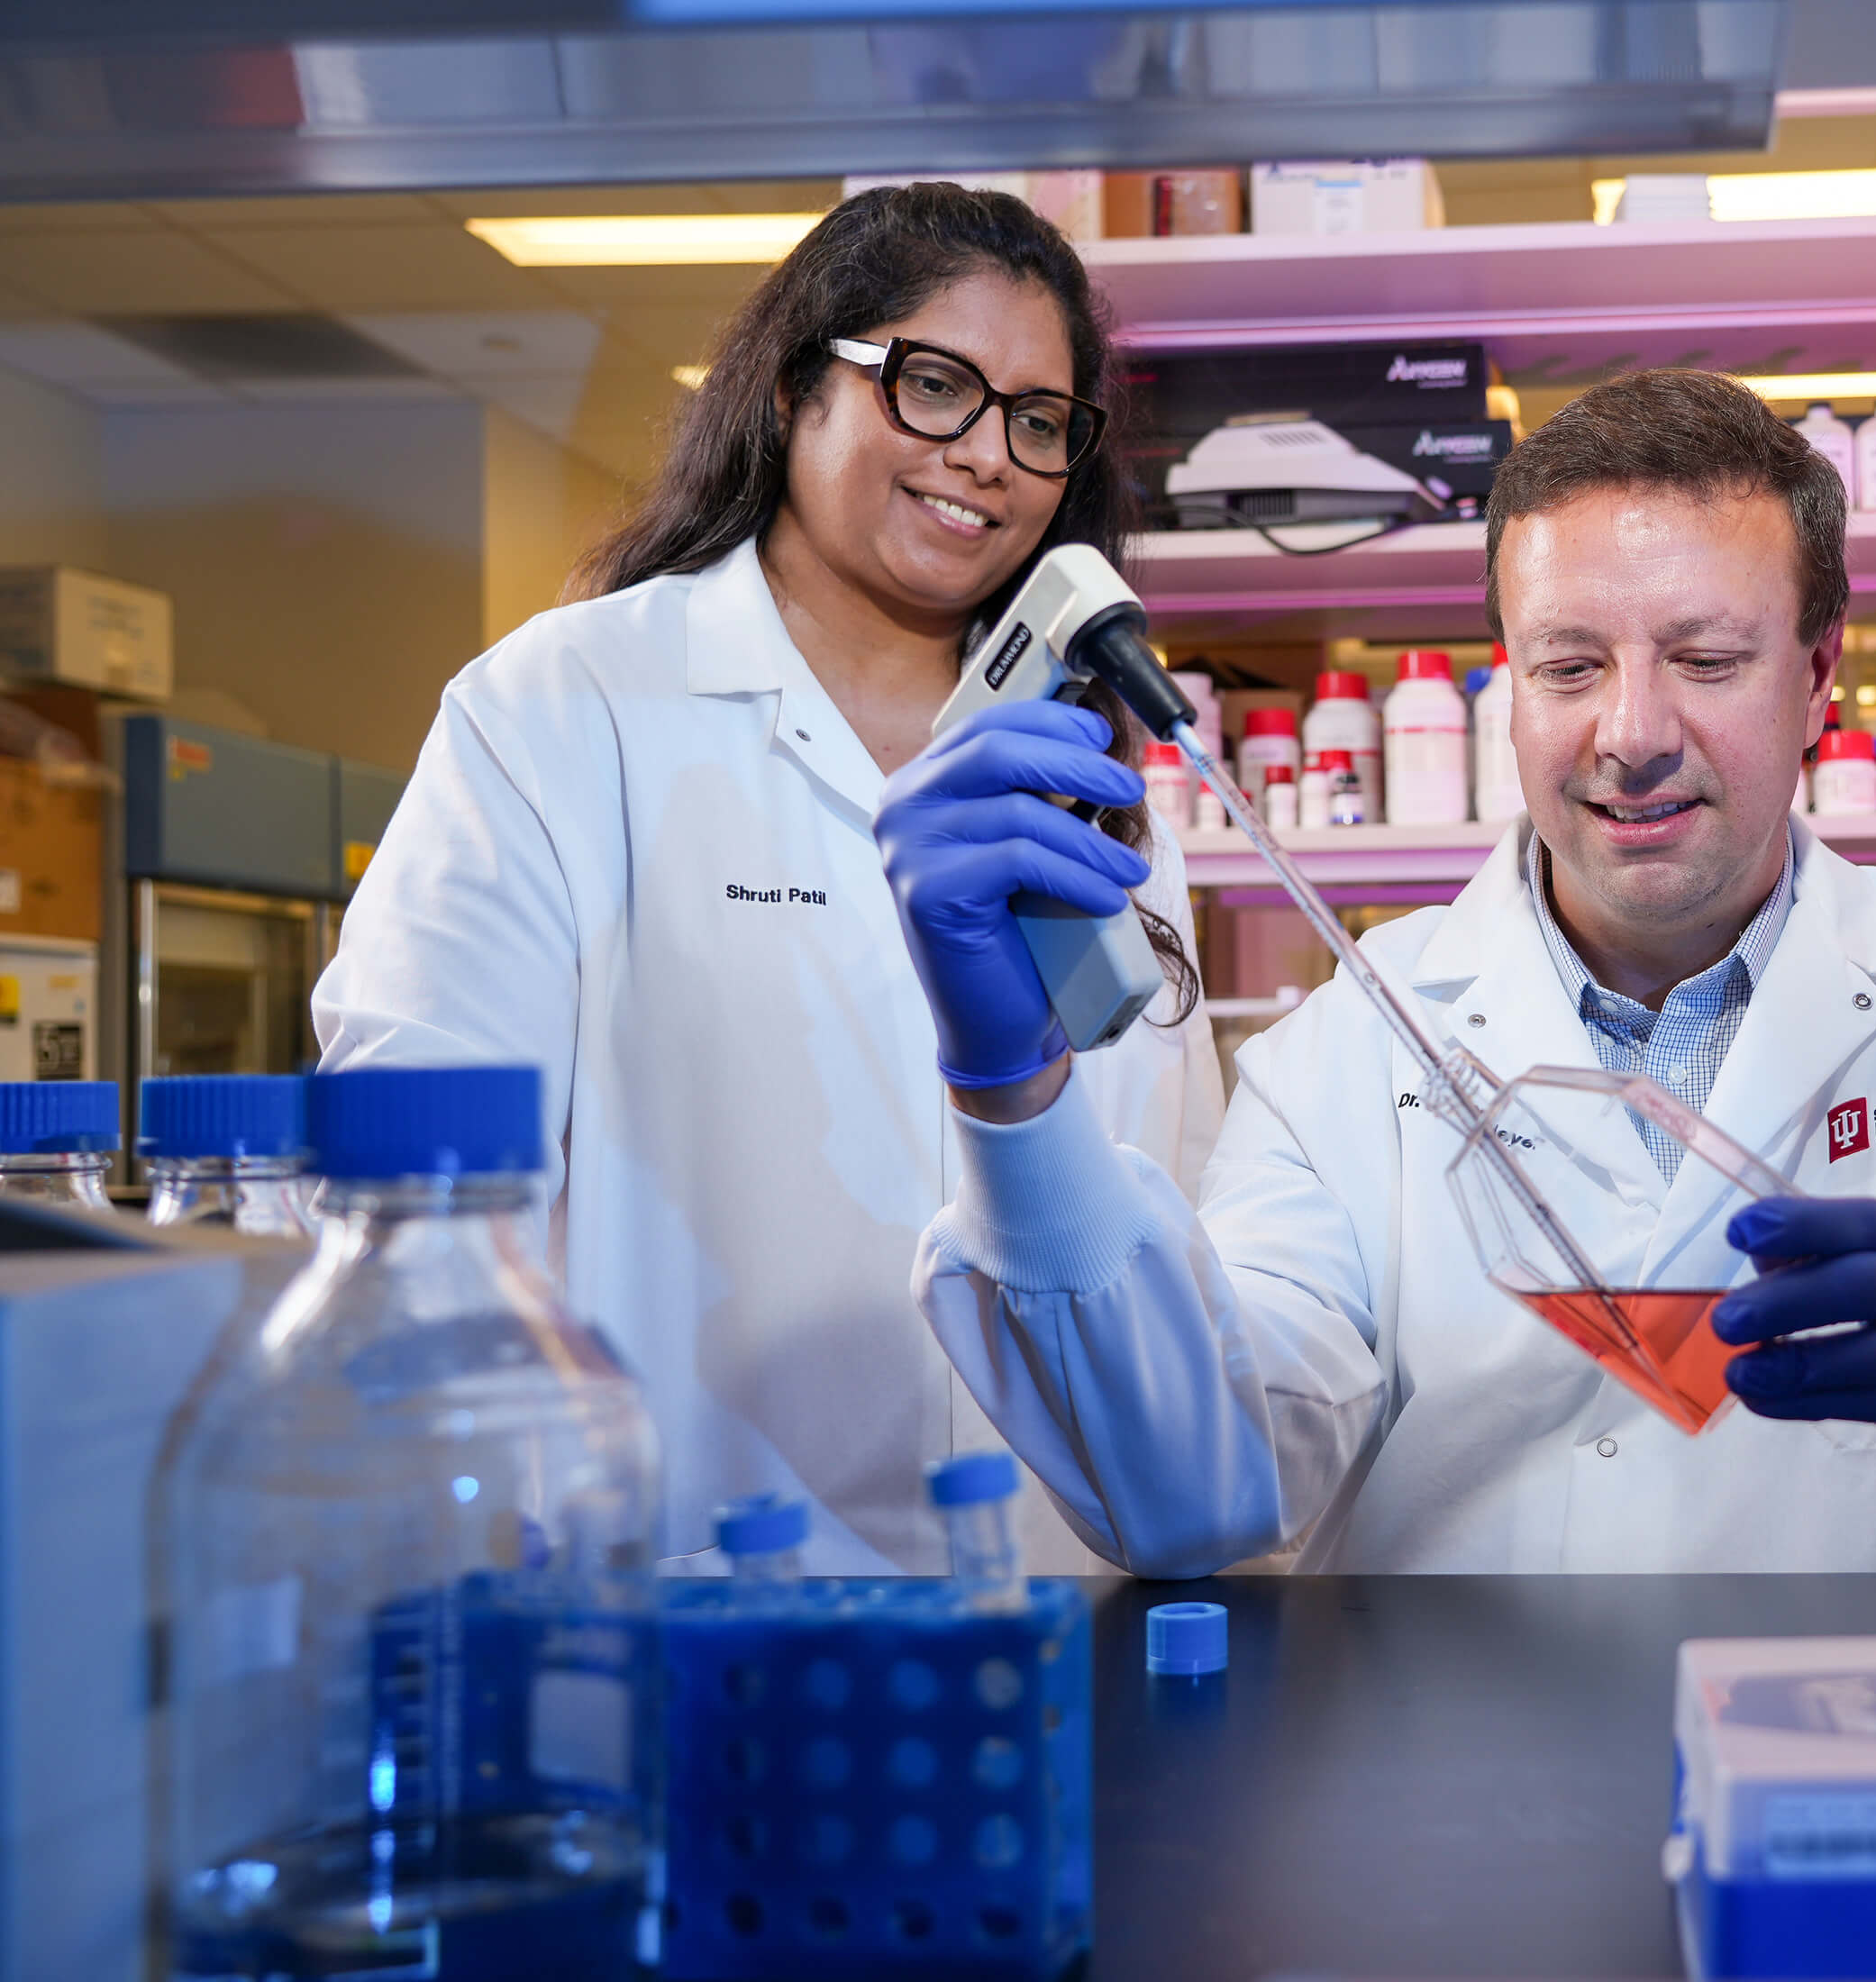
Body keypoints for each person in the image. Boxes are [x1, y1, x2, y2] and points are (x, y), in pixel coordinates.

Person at [885, 368, 1876, 1580]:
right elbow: (1187, 1490)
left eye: (1706, 657)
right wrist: (1012, 1091)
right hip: (1461, 1845)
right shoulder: (1346, 1054)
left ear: (1820, 677)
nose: (1632, 732)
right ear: (1507, 686)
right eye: (1569, 666)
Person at [315, 186, 1221, 1573]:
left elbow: (1175, 1231)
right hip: (688, 1622)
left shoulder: (1086, 770)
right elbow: (415, 1186)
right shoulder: (569, 710)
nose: (987, 456)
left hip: (1047, 1616)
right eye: (934, 387)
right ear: (798, 389)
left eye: (1038, 420)